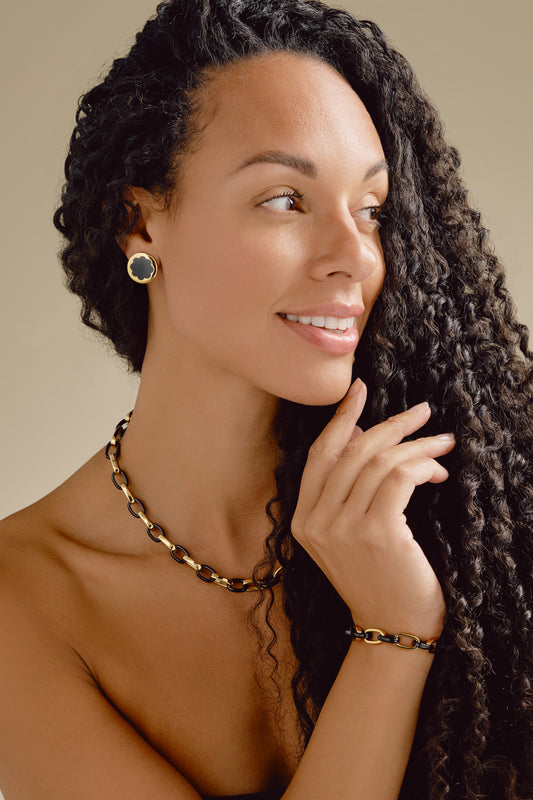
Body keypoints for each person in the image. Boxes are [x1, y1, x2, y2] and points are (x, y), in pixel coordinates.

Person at [0, 0, 531, 798]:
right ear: (137, 222)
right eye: (284, 199)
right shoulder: (25, 601)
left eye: (373, 210)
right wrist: (392, 634)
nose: (353, 255)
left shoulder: (475, 517)